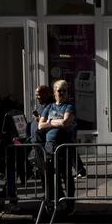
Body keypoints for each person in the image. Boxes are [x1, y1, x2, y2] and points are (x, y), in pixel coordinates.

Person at [38, 79, 77, 215]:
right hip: (49, 145)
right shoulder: (49, 107)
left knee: (66, 174)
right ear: (54, 92)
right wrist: (56, 122)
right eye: (59, 90)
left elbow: (66, 123)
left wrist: (50, 121)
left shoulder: (69, 106)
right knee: (49, 175)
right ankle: (53, 202)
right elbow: (40, 125)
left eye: (64, 90)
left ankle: (70, 203)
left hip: (64, 145)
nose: (61, 93)